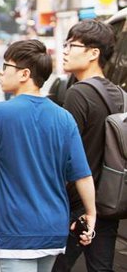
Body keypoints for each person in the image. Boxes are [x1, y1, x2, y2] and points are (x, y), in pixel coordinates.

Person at [0, 40, 96, 272]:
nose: (1, 72)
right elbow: (81, 173)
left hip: (17, 230)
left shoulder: (0, 113)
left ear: (24, 74)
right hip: (54, 229)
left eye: (6, 66)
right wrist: (91, 213)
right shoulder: (64, 117)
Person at [53, 20, 122, 272]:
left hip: (76, 204)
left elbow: (63, 155)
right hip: (108, 201)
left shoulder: (78, 94)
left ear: (94, 53)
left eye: (73, 45)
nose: (66, 50)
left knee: (55, 267)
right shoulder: (118, 94)